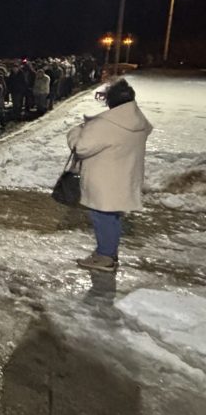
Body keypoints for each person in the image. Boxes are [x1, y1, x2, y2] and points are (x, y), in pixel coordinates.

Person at [66, 79, 152, 273]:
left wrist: (78, 130)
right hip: (124, 176)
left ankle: (105, 257)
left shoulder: (105, 124)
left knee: (102, 216)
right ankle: (109, 253)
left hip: (104, 178)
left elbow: (81, 147)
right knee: (112, 217)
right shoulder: (138, 119)